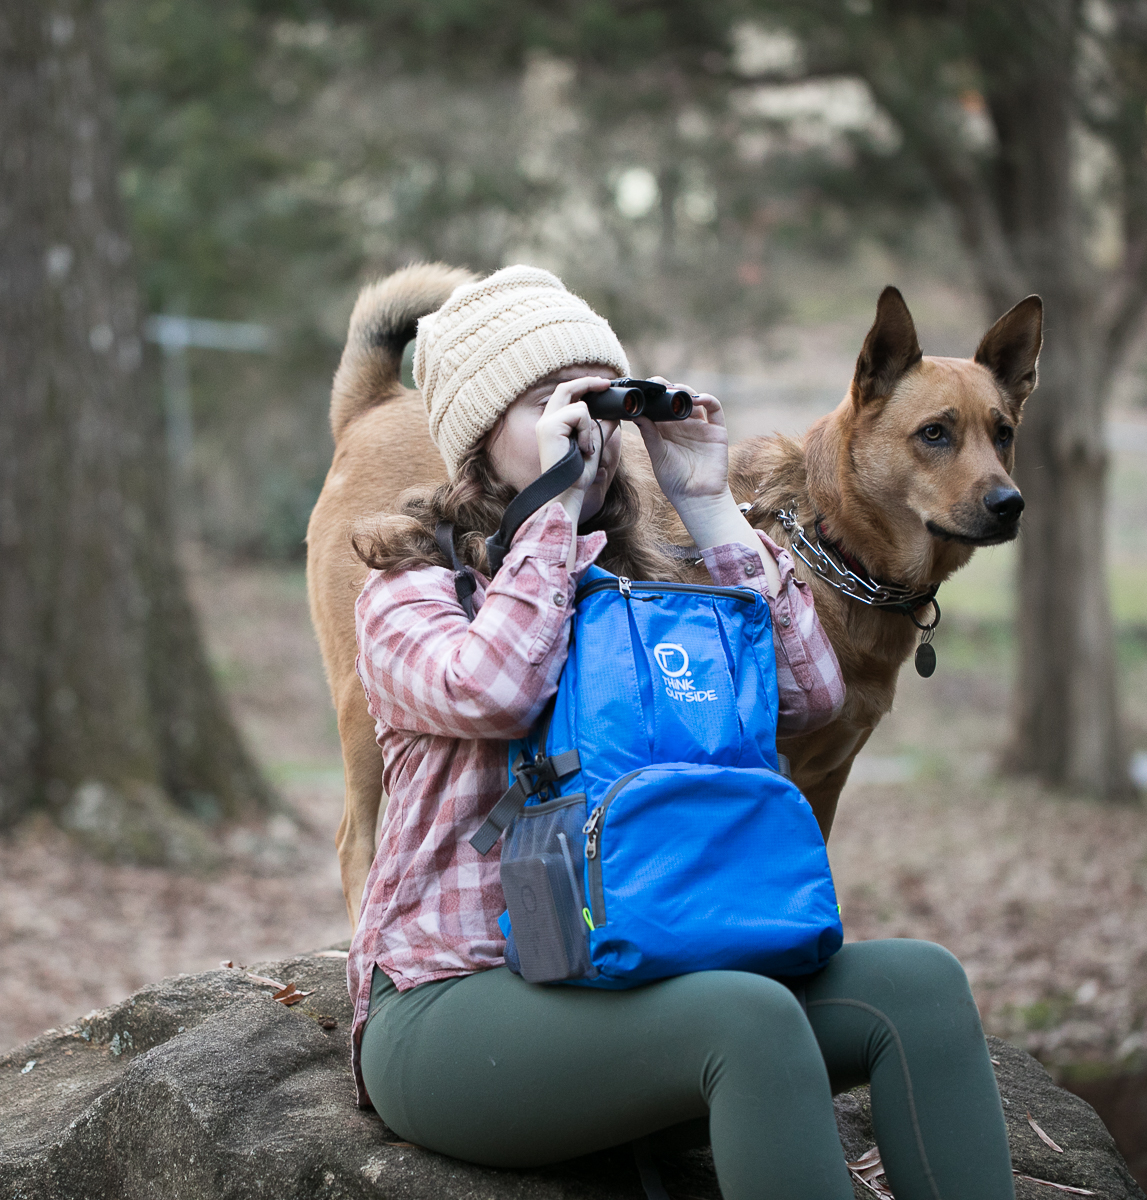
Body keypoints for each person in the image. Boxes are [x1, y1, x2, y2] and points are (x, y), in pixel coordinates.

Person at [347, 265, 1014, 1200]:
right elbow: (495, 689)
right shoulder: (415, 587)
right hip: (457, 1005)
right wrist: (550, 509)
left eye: (594, 399)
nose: (580, 424)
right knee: (748, 1018)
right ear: (475, 433)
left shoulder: (649, 578)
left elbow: (811, 698)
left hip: (632, 967)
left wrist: (706, 503)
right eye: (542, 402)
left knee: (923, 989)